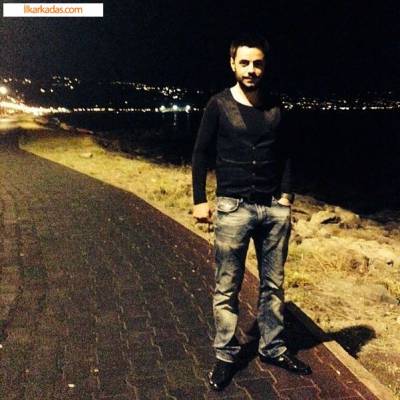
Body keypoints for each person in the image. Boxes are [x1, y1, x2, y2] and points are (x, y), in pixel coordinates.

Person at [191, 33, 312, 391]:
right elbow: (200, 153)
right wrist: (200, 200)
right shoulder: (219, 105)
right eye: (244, 62)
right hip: (233, 208)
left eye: (257, 63)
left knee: (273, 285)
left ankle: (272, 347)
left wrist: (286, 196)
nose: (251, 70)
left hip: (273, 209)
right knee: (227, 286)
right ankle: (226, 355)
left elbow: (286, 153)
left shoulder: (275, 106)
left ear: (264, 66)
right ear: (232, 63)